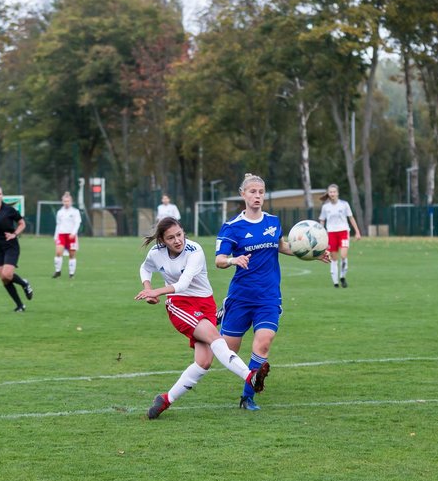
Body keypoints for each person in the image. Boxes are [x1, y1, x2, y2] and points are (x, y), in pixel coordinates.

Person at [215, 174, 328, 410]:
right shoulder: (232, 227)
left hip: (268, 296)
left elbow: (281, 246)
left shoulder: (272, 222)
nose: (257, 196)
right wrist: (235, 260)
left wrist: (313, 253)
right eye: (253, 192)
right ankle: (215, 321)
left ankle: (248, 397)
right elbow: (219, 260)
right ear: (243, 194)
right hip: (241, 296)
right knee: (227, 350)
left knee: (264, 343)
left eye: (261, 192)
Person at [136, 216, 263, 419]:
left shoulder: (195, 251)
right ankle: (250, 376)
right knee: (215, 338)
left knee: (203, 362)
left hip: (205, 304)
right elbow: (146, 268)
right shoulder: (156, 253)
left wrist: (154, 292)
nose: (177, 240)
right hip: (180, 304)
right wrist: (148, 288)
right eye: (171, 238)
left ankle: (165, 400)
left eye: (179, 234)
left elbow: (184, 282)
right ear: (162, 240)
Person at [318, 183, 361, 288]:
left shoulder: (344, 204)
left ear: (337, 193)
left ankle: (342, 277)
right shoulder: (325, 207)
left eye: (334, 192)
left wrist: (357, 231)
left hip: (343, 232)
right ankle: (335, 282)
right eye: (330, 192)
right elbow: (322, 221)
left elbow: (351, 218)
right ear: (328, 193)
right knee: (333, 258)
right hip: (331, 233)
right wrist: (320, 233)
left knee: (343, 255)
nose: (332, 194)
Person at [52, 191, 81, 278]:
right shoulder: (60, 212)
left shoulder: (75, 212)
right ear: (62, 202)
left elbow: (77, 223)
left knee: (71, 255)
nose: (66, 203)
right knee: (58, 252)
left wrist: (73, 233)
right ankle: (58, 271)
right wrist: (55, 236)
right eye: (65, 201)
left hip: (71, 236)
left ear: (71, 202)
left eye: (68, 201)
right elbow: (58, 224)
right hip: (61, 234)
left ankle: (71, 274)